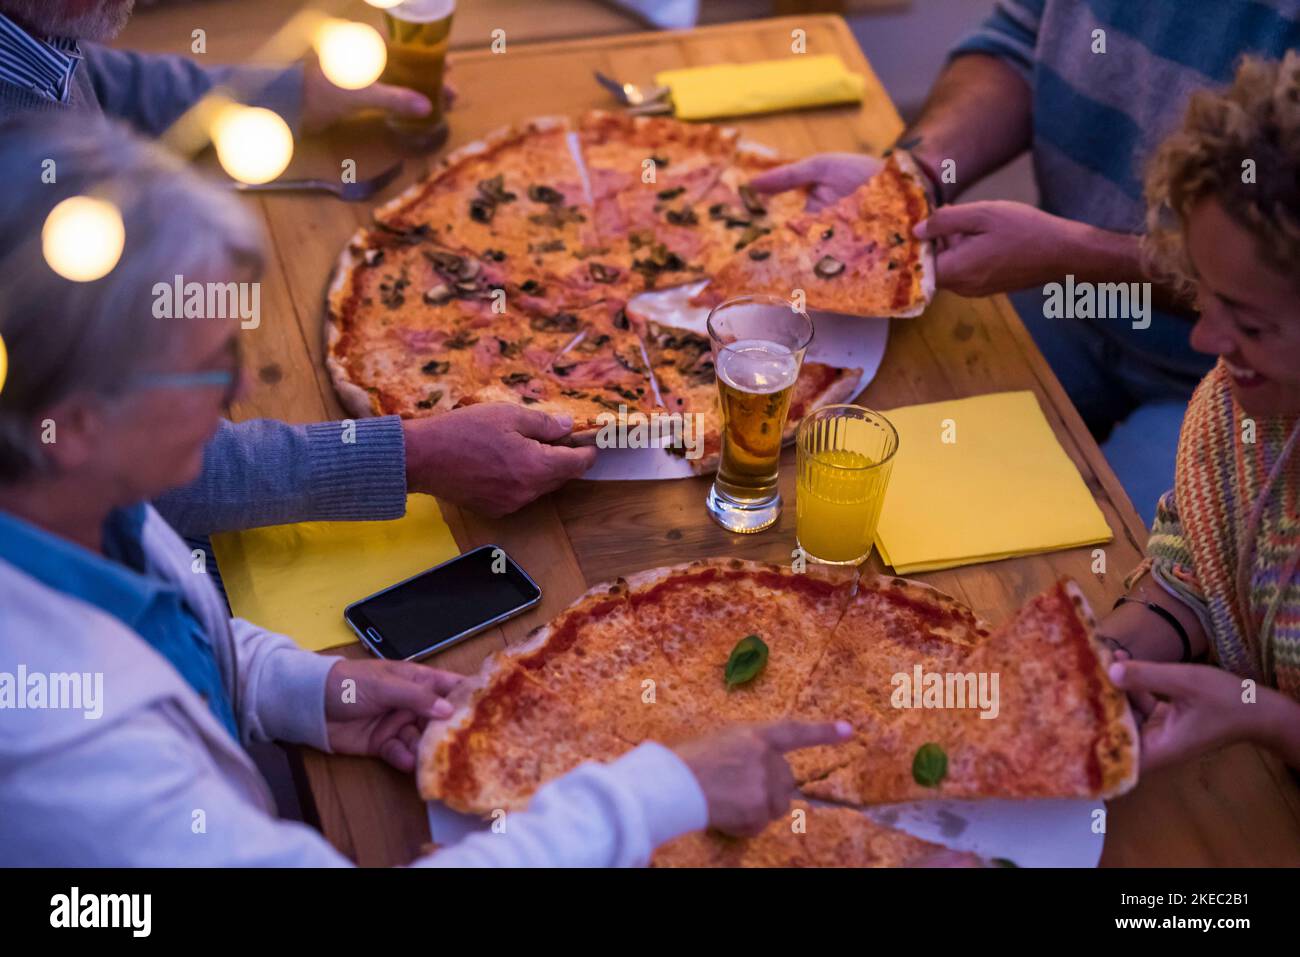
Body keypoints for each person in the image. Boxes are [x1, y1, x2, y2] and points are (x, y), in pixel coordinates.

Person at [0, 112, 852, 867]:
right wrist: (663, 791)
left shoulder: (70, 500)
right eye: (199, 371)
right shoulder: (54, 748)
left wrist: (298, 690)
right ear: (74, 423)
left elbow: (164, 625)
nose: (232, 398)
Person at [0, 0, 594, 536]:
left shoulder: (34, 31)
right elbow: (129, 470)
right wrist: (413, 456)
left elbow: (91, 76)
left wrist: (293, 94)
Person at [752, 0, 1300, 526]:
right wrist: (907, 182)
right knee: (856, 457)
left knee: (1121, 558)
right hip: (1061, 296)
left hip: (1244, 381)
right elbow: (1015, 46)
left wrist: (1070, 253)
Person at [1086, 54, 1300, 773]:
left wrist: (1265, 716)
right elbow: (1196, 581)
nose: (1206, 341)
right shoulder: (1238, 411)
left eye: (1250, 320)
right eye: (1203, 294)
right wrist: (1103, 665)